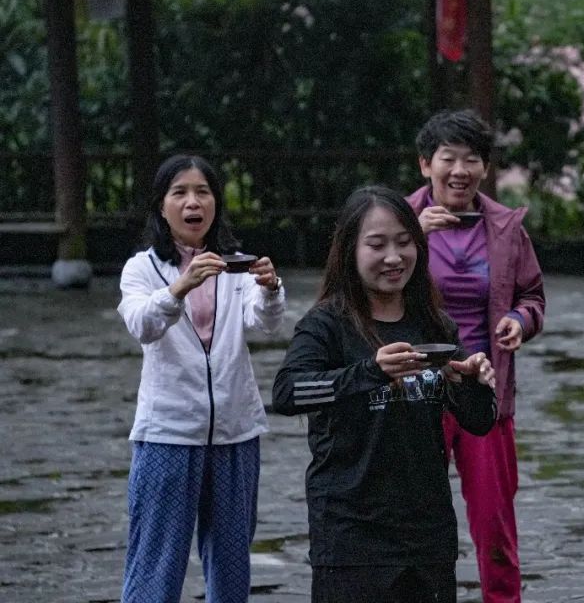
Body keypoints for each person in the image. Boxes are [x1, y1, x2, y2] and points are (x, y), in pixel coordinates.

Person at [272, 186, 498, 603]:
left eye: (404, 242)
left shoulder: (434, 325)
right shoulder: (326, 324)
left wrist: (474, 382)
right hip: (351, 535)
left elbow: (479, 422)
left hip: (427, 536)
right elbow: (287, 392)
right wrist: (370, 372)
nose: (394, 257)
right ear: (350, 251)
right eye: (377, 245)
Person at [117, 154, 285, 602]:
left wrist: (270, 289)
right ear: (161, 206)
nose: (193, 202)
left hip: (235, 432)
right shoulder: (141, 268)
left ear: (216, 203)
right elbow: (142, 325)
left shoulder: (235, 266)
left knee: (231, 563)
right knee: (157, 561)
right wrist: (180, 287)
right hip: (167, 434)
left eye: (203, 192)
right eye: (180, 193)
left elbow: (265, 322)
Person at [406, 109, 545, 603]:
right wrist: (410, 236)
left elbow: (532, 296)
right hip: (414, 387)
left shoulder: (505, 226)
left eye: (472, 159)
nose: (460, 170)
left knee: (494, 523)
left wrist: (520, 321)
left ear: (485, 168)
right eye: (449, 158)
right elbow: (357, 290)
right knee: (411, 517)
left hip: (483, 388)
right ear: (426, 164)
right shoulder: (393, 219)